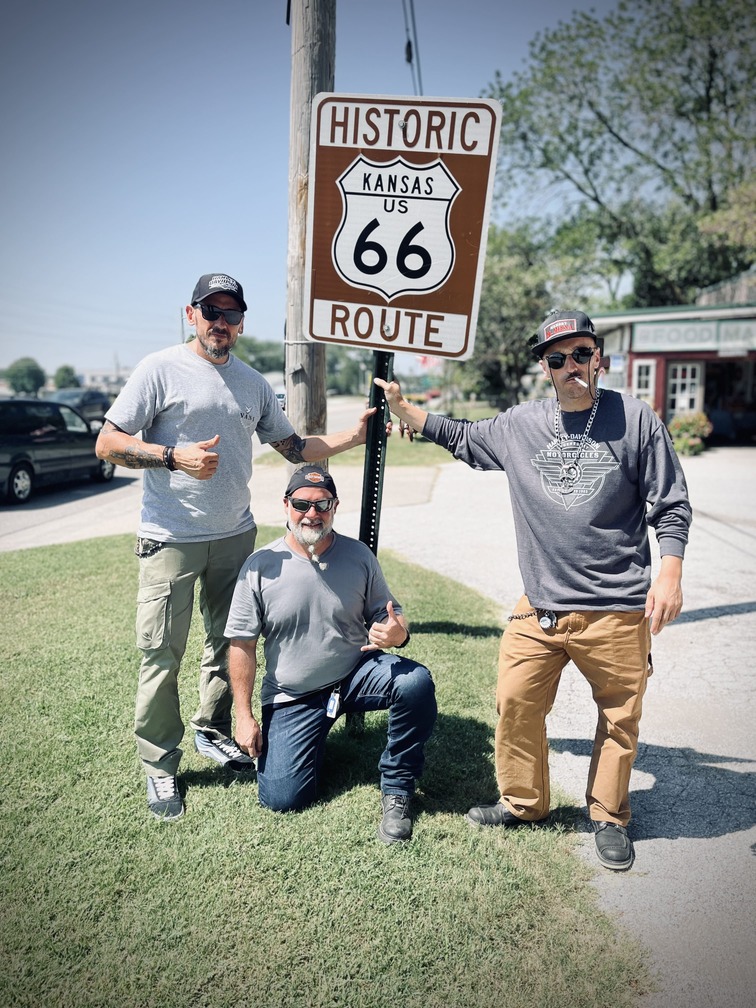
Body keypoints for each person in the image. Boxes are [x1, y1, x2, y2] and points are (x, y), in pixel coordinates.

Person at [375, 309, 692, 870]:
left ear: (599, 357)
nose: (571, 366)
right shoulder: (523, 424)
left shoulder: (636, 420)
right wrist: (405, 411)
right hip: (541, 606)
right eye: (557, 358)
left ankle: (608, 815)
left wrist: (669, 573)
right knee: (515, 701)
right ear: (545, 368)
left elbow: (670, 505)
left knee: (620, 717)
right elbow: (463, 436)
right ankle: (525, 803)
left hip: (616, 607)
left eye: (581, 354)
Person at [96, 273, 375, 822]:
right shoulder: (159, 369)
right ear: (191, 314)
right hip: (171, 538)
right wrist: (173, 457)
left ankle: (212, 729)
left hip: (235, 537)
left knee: (230, 642)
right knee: (161, 655)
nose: (221, 323)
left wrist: (354, 436)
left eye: (232, 314)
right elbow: (108, 443)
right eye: (212, 312)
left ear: (242, 322)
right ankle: (159, 767)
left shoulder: (251, 383)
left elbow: (294, 447)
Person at [224, 465, 437, 843]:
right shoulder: (260, 567)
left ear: (335, 506)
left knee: (415, 682)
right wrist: (243, 715)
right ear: (286, 505)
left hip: (354, 674)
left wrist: (397, 631)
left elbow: (389, 614)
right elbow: (242, 644)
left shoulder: (358, 555)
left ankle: (398, 788)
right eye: (302, 504)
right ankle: (310, 741)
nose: (312, 513)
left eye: (322, 504)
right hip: (294, 693)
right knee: (283, 799)